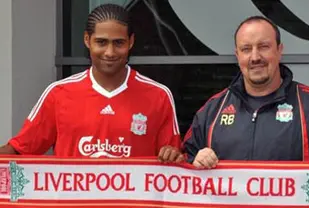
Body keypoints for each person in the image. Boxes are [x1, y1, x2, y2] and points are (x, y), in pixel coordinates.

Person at [182, 16, 309, 173]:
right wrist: (194, 161)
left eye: (264, 46)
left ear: (279, 50)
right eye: (246, 49)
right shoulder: (213, 109)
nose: (255, 57)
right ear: (237, 55)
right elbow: (182, 160)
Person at [0, 4, 183, 162]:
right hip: (72, 202)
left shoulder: (158, 96)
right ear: (87, 40)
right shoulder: (59, 93)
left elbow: (174, 160)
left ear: (131, 42)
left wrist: (174, 156)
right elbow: (20, 150)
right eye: (101, 42)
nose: (110, 52)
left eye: (118, 43)